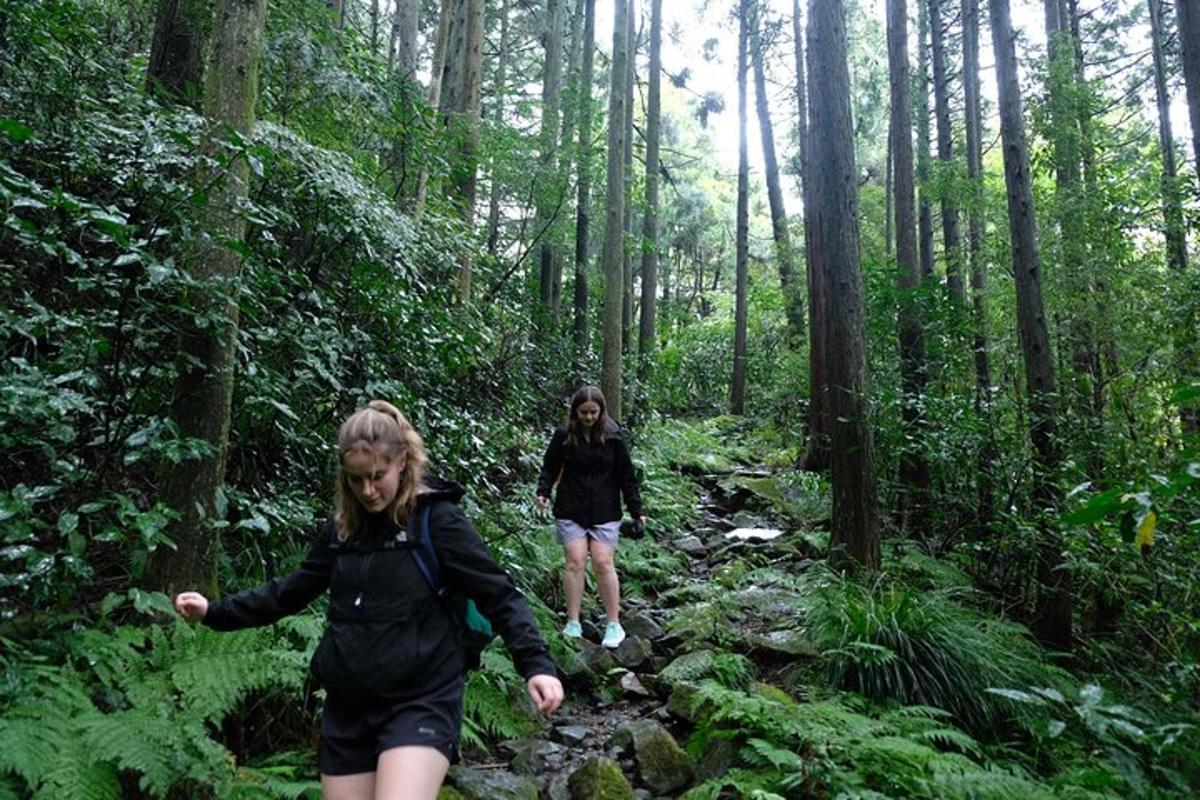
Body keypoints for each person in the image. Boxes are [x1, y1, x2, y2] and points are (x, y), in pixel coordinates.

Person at [174, 400, 563, 800]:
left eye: (377, 477)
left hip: (422, 699)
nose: (368, 491)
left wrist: (536, 665)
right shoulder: (343, 531)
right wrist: (213, 612)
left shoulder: (437, 522)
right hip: (349, 707)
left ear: (403, 463)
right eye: (356, 480)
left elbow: (498, 594)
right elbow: (291, 591)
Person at [536, 386, 644, 649]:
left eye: (593, 412)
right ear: (575, 412)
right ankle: (572, 622)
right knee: (574, 562)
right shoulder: (563, 436)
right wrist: (543, 491)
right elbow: (549, 467)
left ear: (601, 411)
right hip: (570, 507)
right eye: (583, 412)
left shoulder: (614, 437)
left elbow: (626, 476)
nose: (588, 417)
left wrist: (637, 511)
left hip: (605, 510)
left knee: (603, 562)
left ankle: (613, 623)